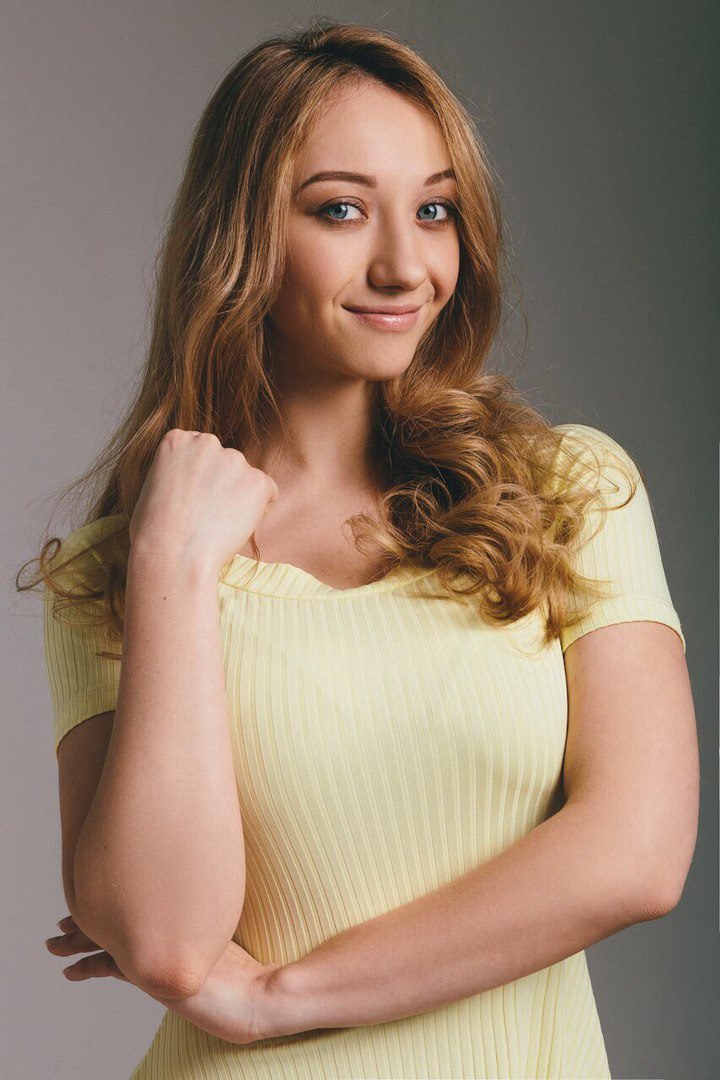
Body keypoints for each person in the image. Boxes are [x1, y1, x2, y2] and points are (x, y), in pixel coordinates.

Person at [27, 18, 698, 1080]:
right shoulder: (122, 569)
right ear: (241, 237)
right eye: (340, 209)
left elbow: (638, 854)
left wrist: (278, 998)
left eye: (434, 211)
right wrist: (175, 571)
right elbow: (165, 939)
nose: (405, 265)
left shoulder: (566, 491)